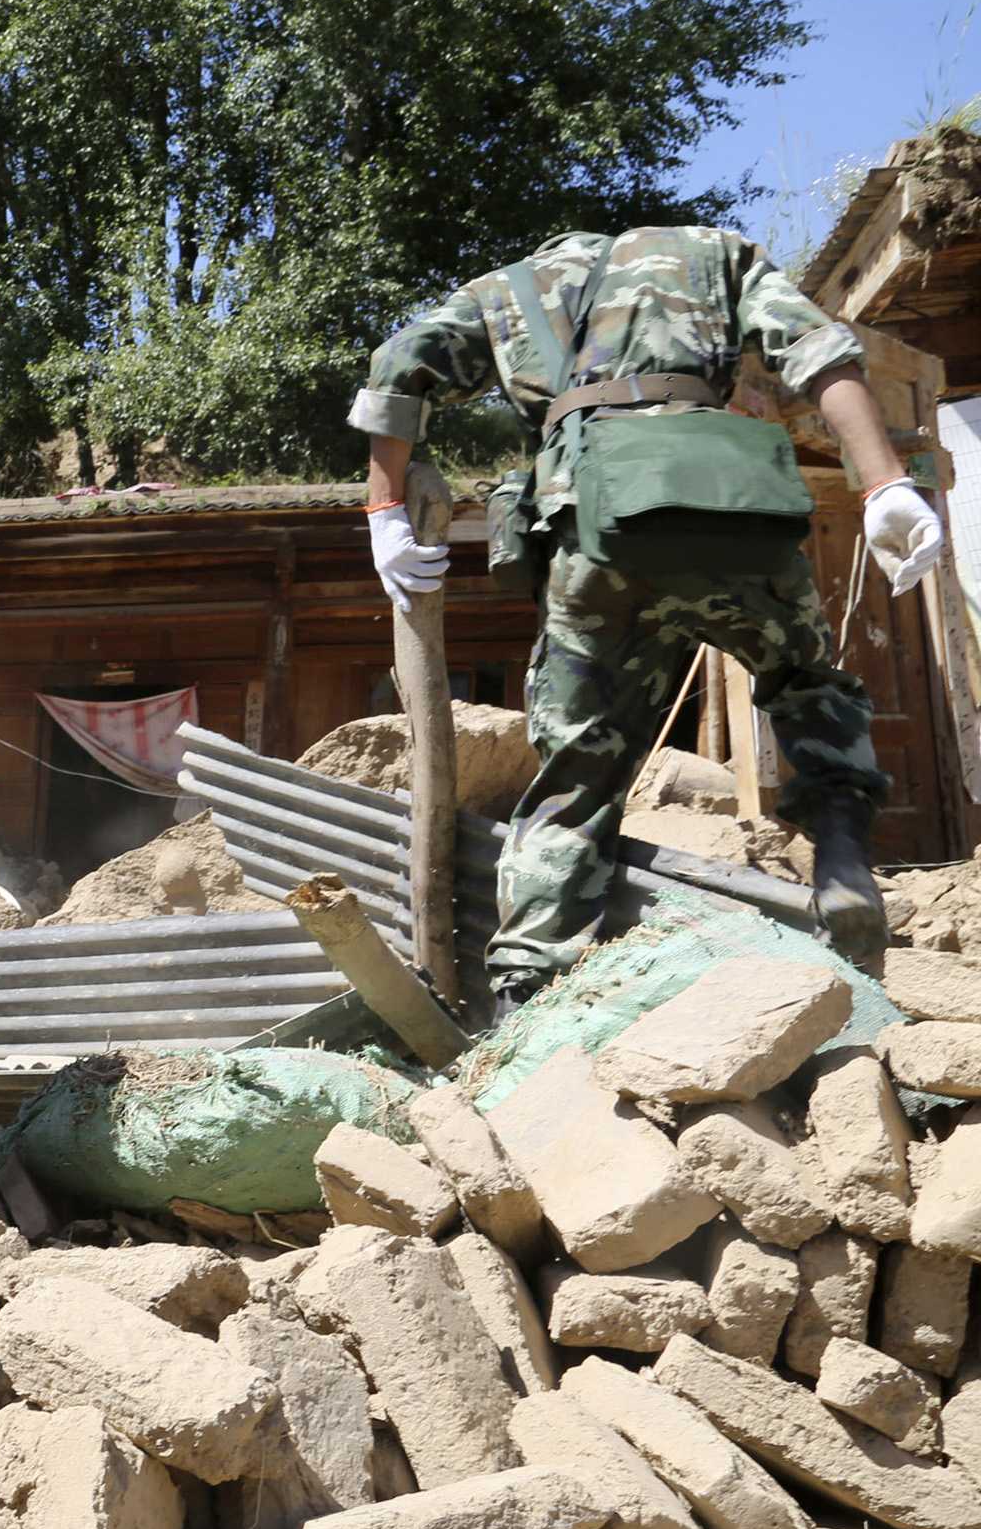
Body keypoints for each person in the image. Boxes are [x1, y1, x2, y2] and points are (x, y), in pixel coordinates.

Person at [351, 224, 946, 1014]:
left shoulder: (504, 291)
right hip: (736, 519)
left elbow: (401, 363)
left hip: (596, 538)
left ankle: (526, 990)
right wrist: (882, 485)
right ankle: (839, 856)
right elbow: (815, 348)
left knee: (577, 772)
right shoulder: (713, 252)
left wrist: (384, 508)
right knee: (805, 685)